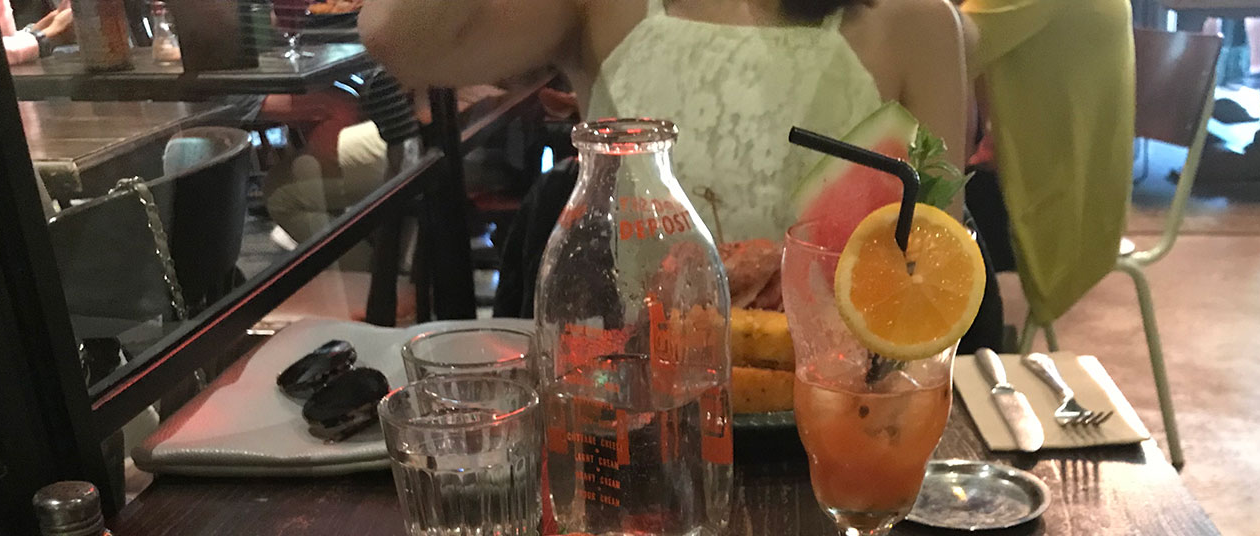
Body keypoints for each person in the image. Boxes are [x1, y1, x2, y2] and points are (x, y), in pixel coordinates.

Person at [358, 0, 970, 244]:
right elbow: (396, 35)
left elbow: (936, 263)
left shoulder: (914, 19)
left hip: (841, 425)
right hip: (641, 421)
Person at [959, 0, 1133, 329]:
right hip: (1071, 185)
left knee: (910, 218)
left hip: (1053, 197)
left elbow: (939, 47)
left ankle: (964, 362)